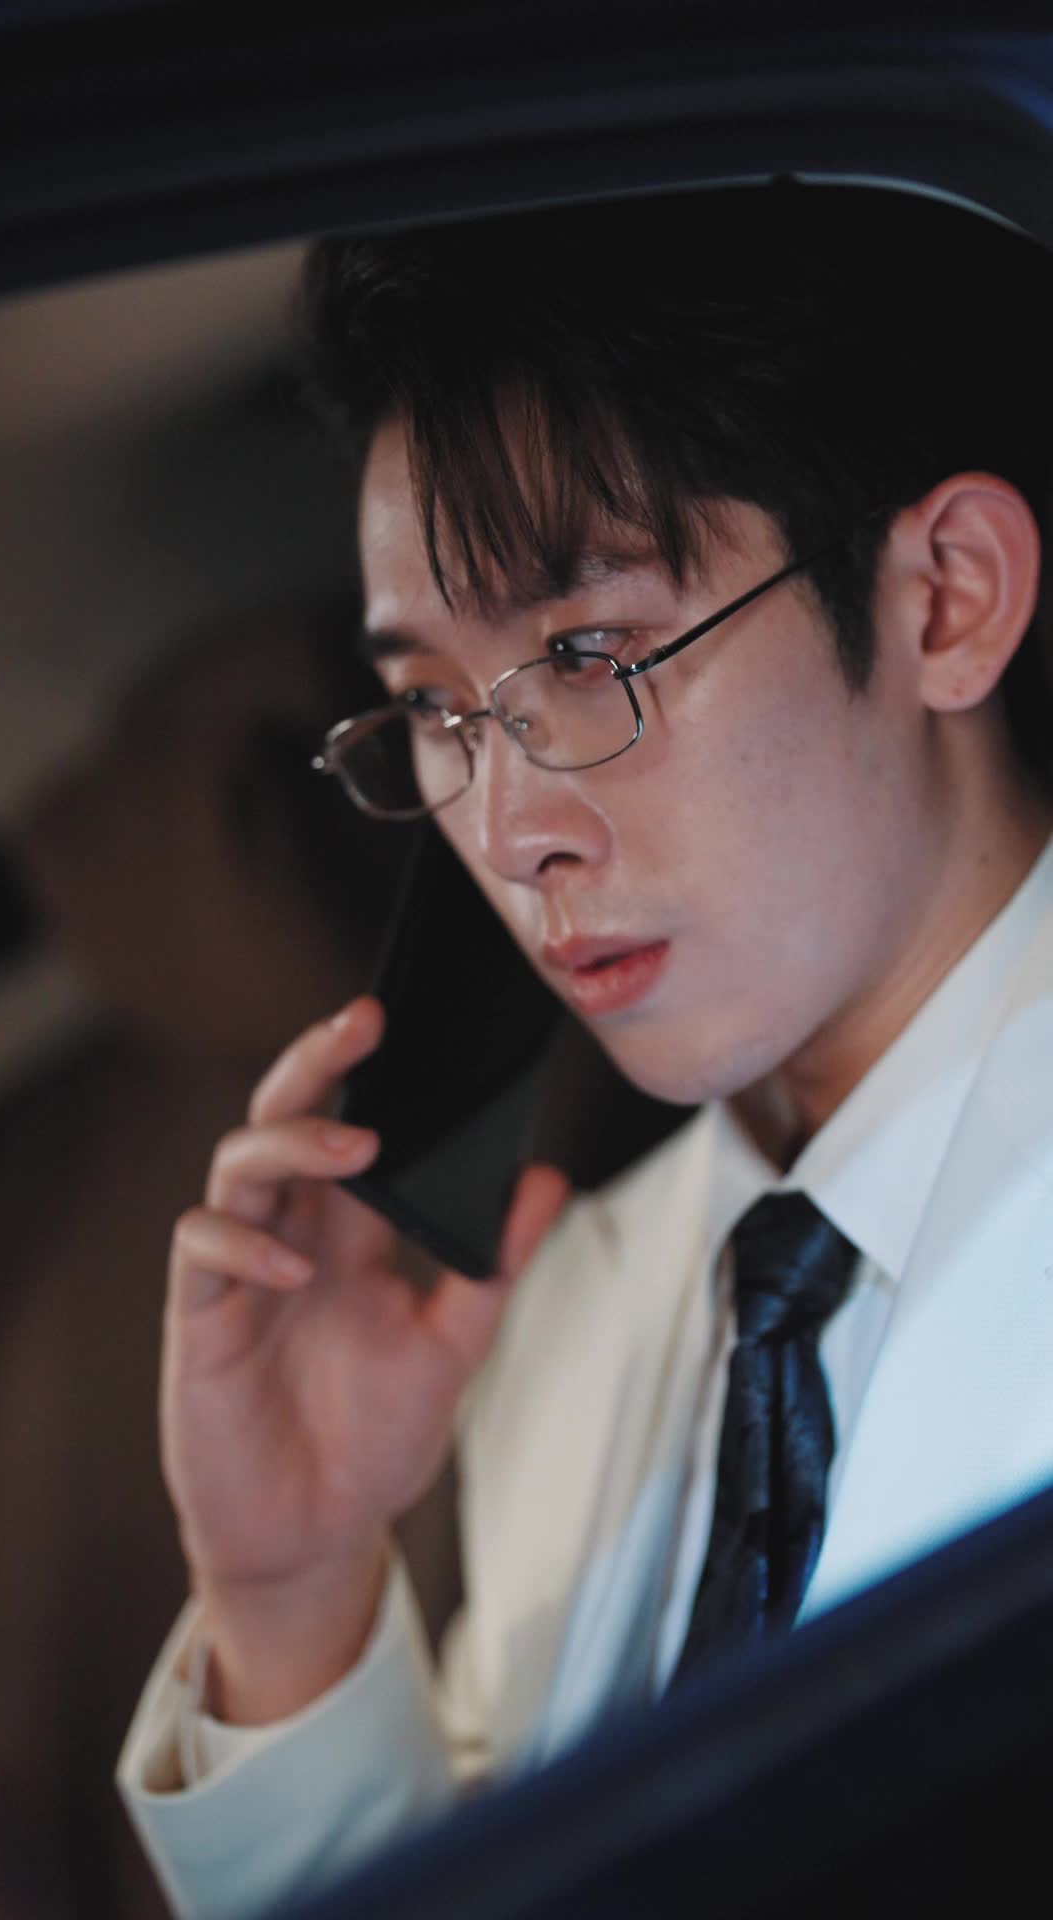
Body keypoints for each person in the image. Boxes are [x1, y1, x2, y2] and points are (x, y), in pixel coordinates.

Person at [118, 181, 1053, 1919]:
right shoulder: (569, 1328)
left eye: (589, 655)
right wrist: (291, 1594)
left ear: (945, 602)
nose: (506, 829)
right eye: (434, 709)